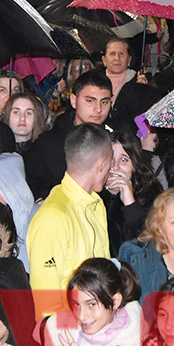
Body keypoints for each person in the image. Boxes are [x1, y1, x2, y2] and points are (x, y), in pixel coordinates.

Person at [26, 124, 113, 316]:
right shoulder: (53, 217)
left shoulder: (97, 204)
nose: (111, 170)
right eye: (110, 163)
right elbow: (46, 306)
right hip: (68, 338)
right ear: (100, 165)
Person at [23, 70, 114, 197]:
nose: (98, 109)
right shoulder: (48, 144)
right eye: (90, 101)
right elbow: (30, 184)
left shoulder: (114, 139)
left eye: (104, 102)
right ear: (74, 100)